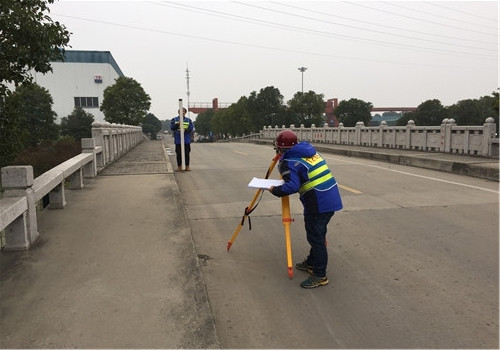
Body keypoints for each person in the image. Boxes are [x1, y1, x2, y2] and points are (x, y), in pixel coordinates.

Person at [268, 130, 343, 289]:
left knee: (316, 238)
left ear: (280, 149)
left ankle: (319, 275)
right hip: (330, 197)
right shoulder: (309, 152)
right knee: (317, 233)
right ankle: (311, 262)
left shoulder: (289, 162)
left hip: (318, 203)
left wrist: (274, 189)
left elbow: (292, 186)